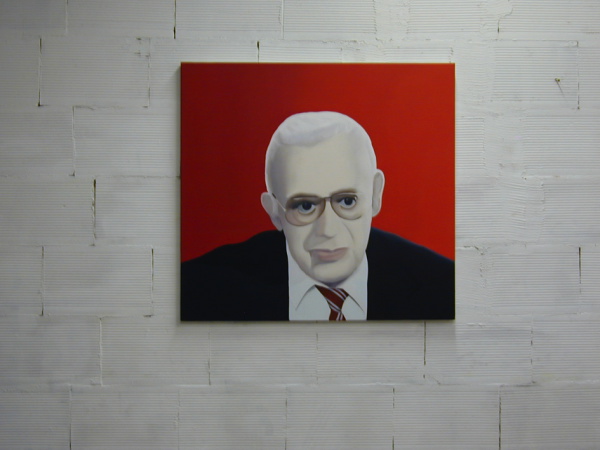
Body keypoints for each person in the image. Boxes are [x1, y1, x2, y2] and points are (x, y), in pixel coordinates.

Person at [181, 111, 454, 321]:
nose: (328, 229)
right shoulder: (198, 290)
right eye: (305, 206)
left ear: (375, 195)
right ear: (274, 212)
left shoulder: (442, 286)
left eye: (347, 201)